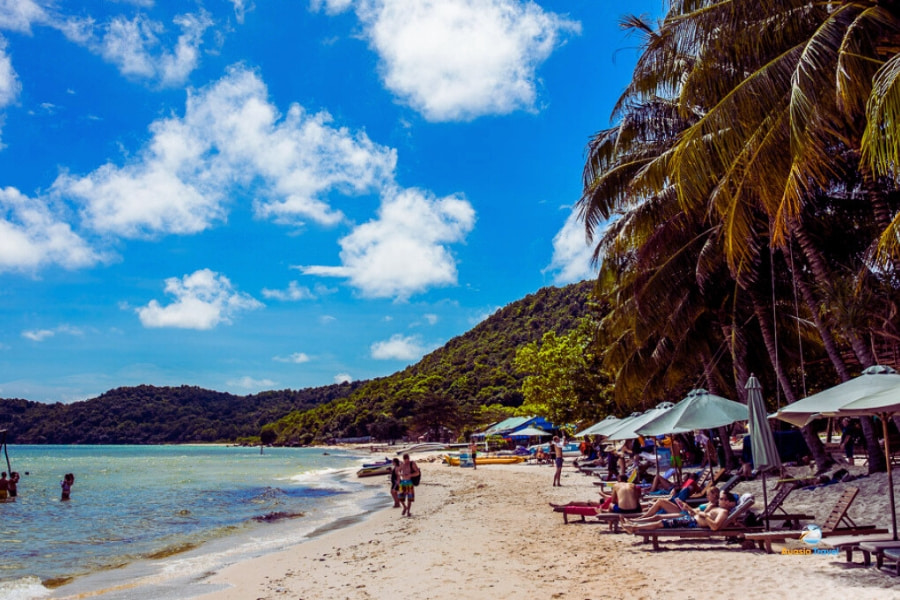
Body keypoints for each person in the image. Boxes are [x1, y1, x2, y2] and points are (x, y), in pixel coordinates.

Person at [625, 491, 739, 531]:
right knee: (661, 521)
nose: (719, 500)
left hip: (692, 522)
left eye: (722, 499)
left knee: (661, 523)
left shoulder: (723, 512)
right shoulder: (718, 509)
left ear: (729, 502)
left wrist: (704, 515)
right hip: (691, 519)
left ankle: (635, 526)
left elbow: (714, 527)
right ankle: (635, 524)